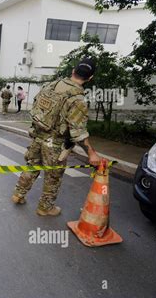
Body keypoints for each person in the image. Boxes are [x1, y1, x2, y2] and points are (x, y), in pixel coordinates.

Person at [11, 58, 102, 216]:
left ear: (73, 71)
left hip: (37, 135)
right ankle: (45, 208)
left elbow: (36, 106)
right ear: (90, 78)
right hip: (54, 143)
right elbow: (78, 132)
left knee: (32, 166)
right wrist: (91, 153)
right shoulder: (78, 99)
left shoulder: (51, 85)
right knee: (53, 176)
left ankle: (18, 194)